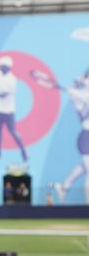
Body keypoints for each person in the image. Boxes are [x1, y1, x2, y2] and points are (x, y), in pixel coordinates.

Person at [53, 70, 89, 203]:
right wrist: (77, 82)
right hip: (86, 137)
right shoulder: (80, 95)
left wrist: (78, 80)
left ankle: (64, 186)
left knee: (84, 167)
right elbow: (72, 91)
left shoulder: (80, 92)